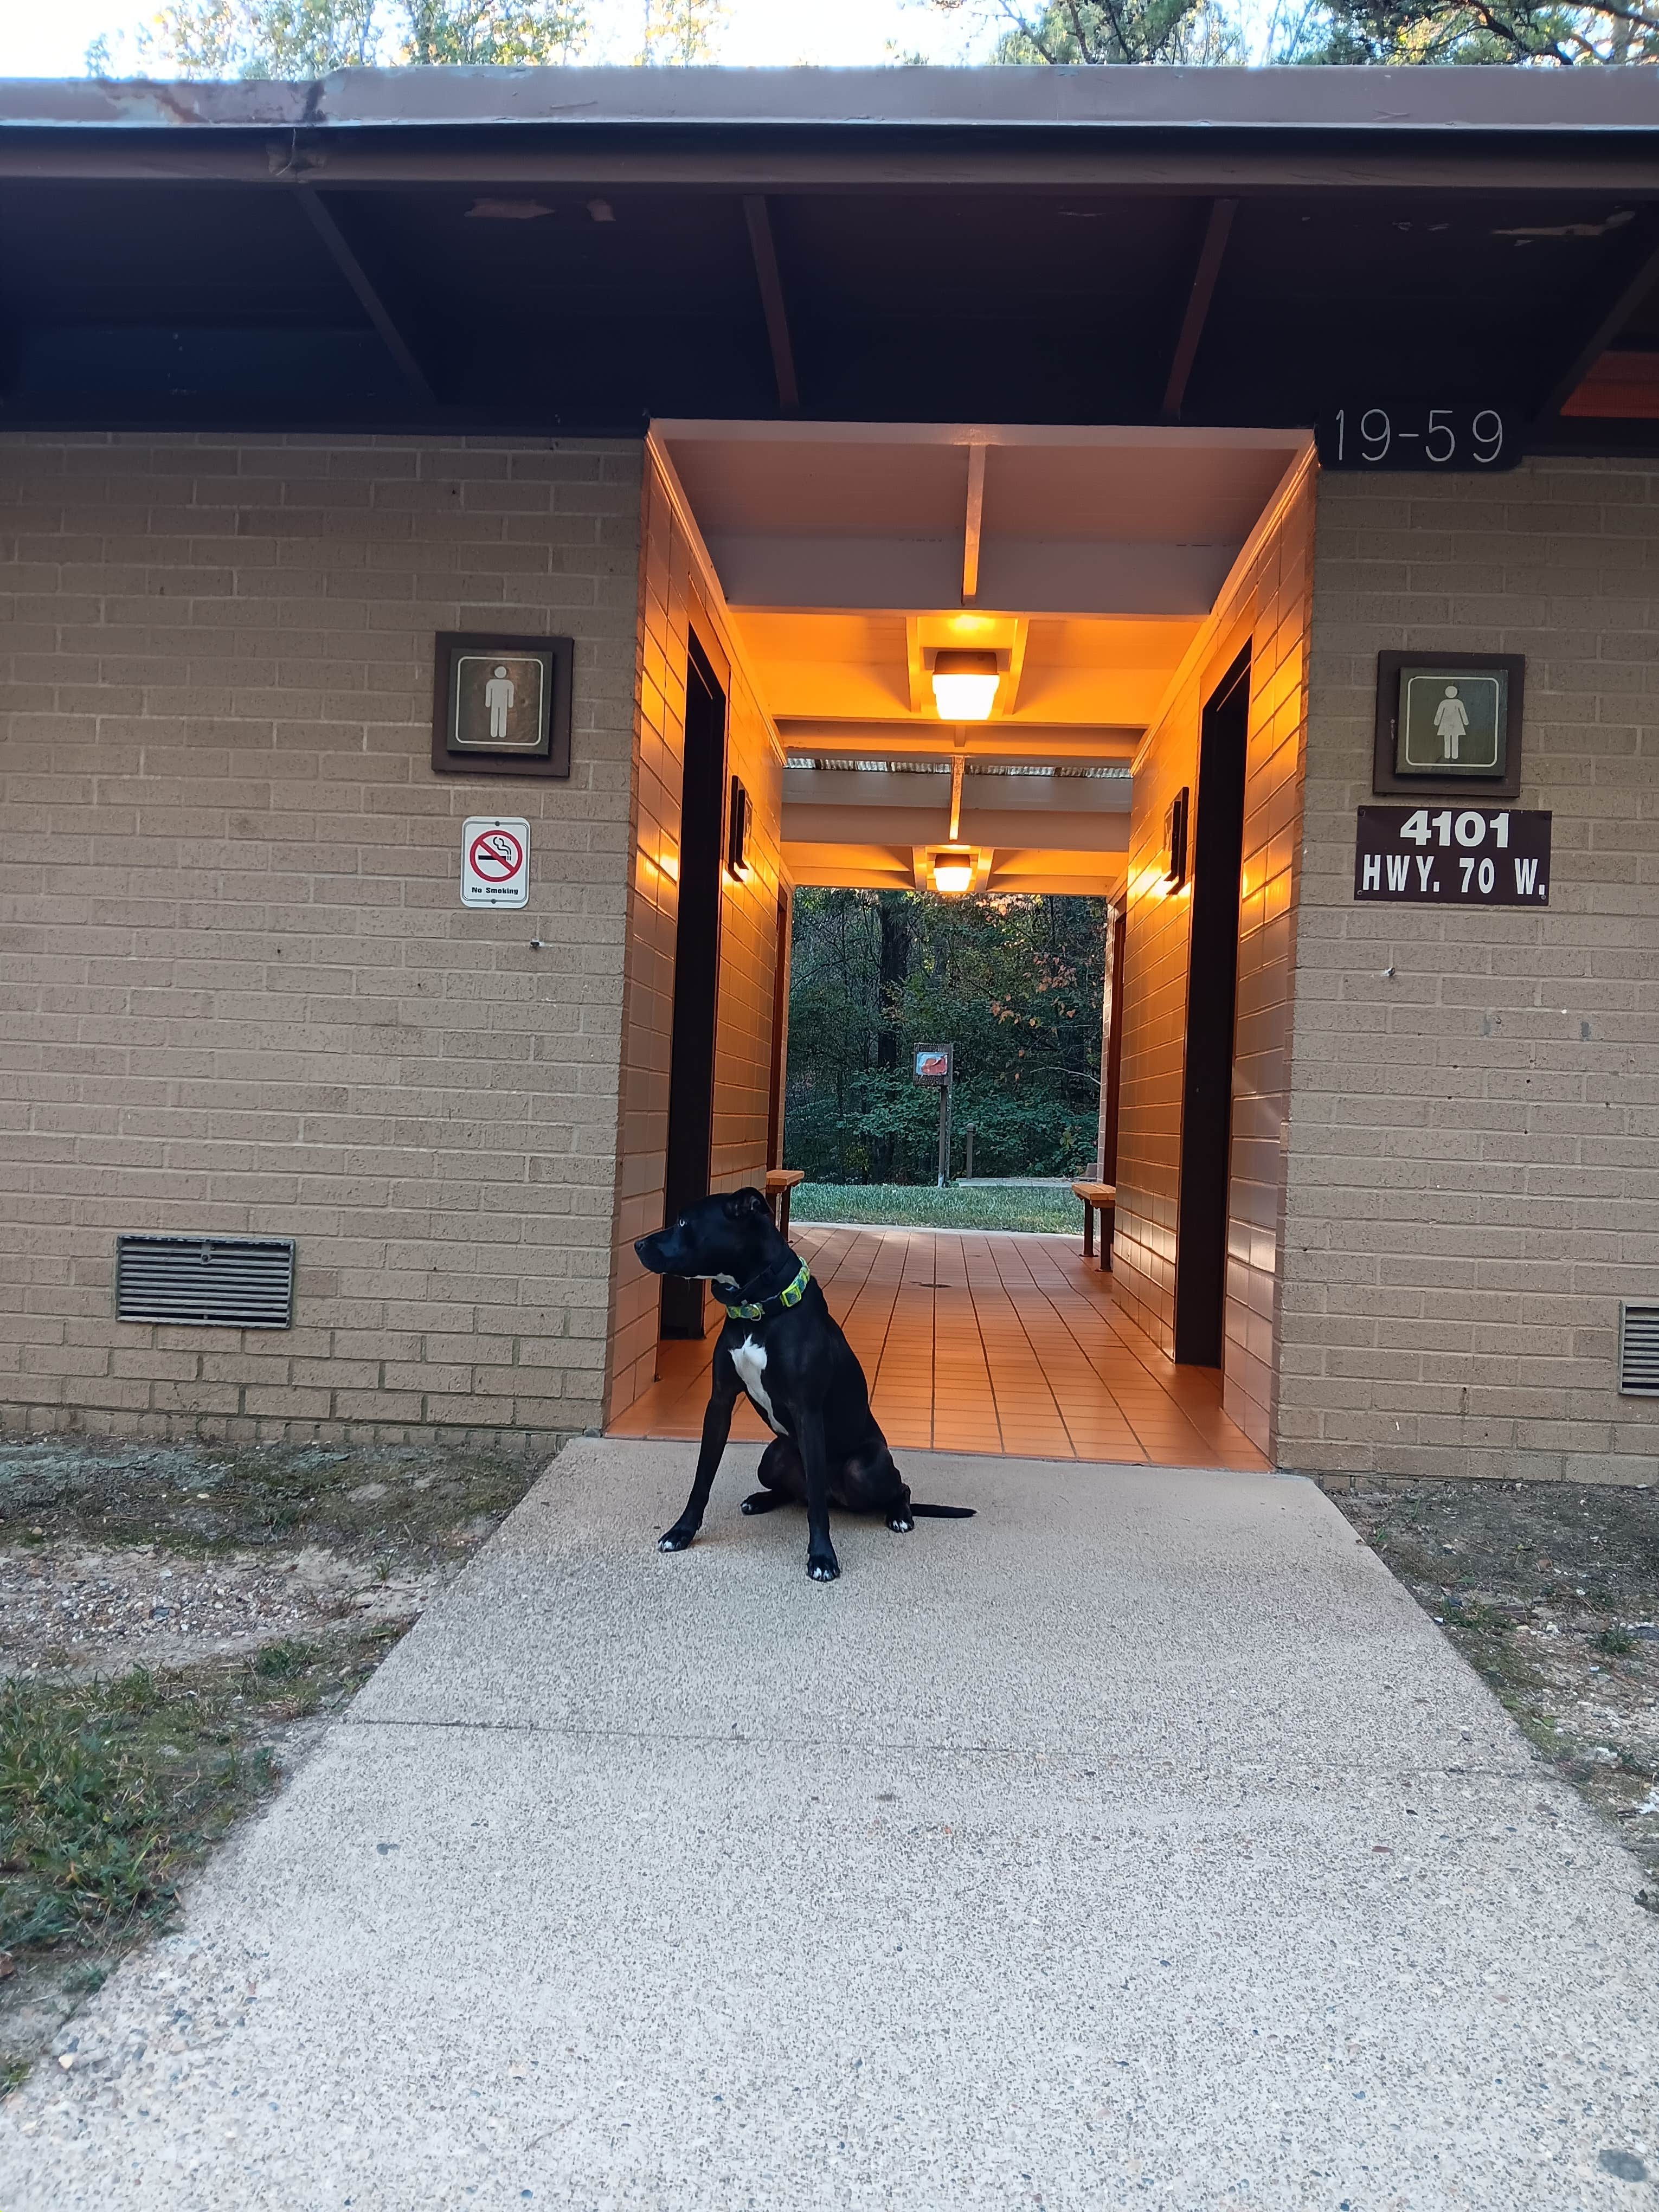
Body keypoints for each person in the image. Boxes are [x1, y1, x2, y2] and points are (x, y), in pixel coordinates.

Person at [1433, 684, 1469, 762]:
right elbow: (1463, 713)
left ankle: (1448, 755)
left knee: (1448, 739)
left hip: (1448, 723)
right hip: (1453, 723)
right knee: (1453, 739)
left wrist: (1437, 722)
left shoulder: (1445, 703)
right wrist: (1465, 722)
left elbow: (1439, 713)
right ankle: (1453, 755)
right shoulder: (1457, 702)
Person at [485, 664, 515, 741]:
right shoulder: (491, 683)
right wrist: (488, 703)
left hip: (502, 703)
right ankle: (494, 733)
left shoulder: (509, 684)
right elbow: (489, 693)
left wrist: (510, 704)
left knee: (502, 717)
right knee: (495, 716)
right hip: (495, 703)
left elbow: (511, 694)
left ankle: (501, 733)